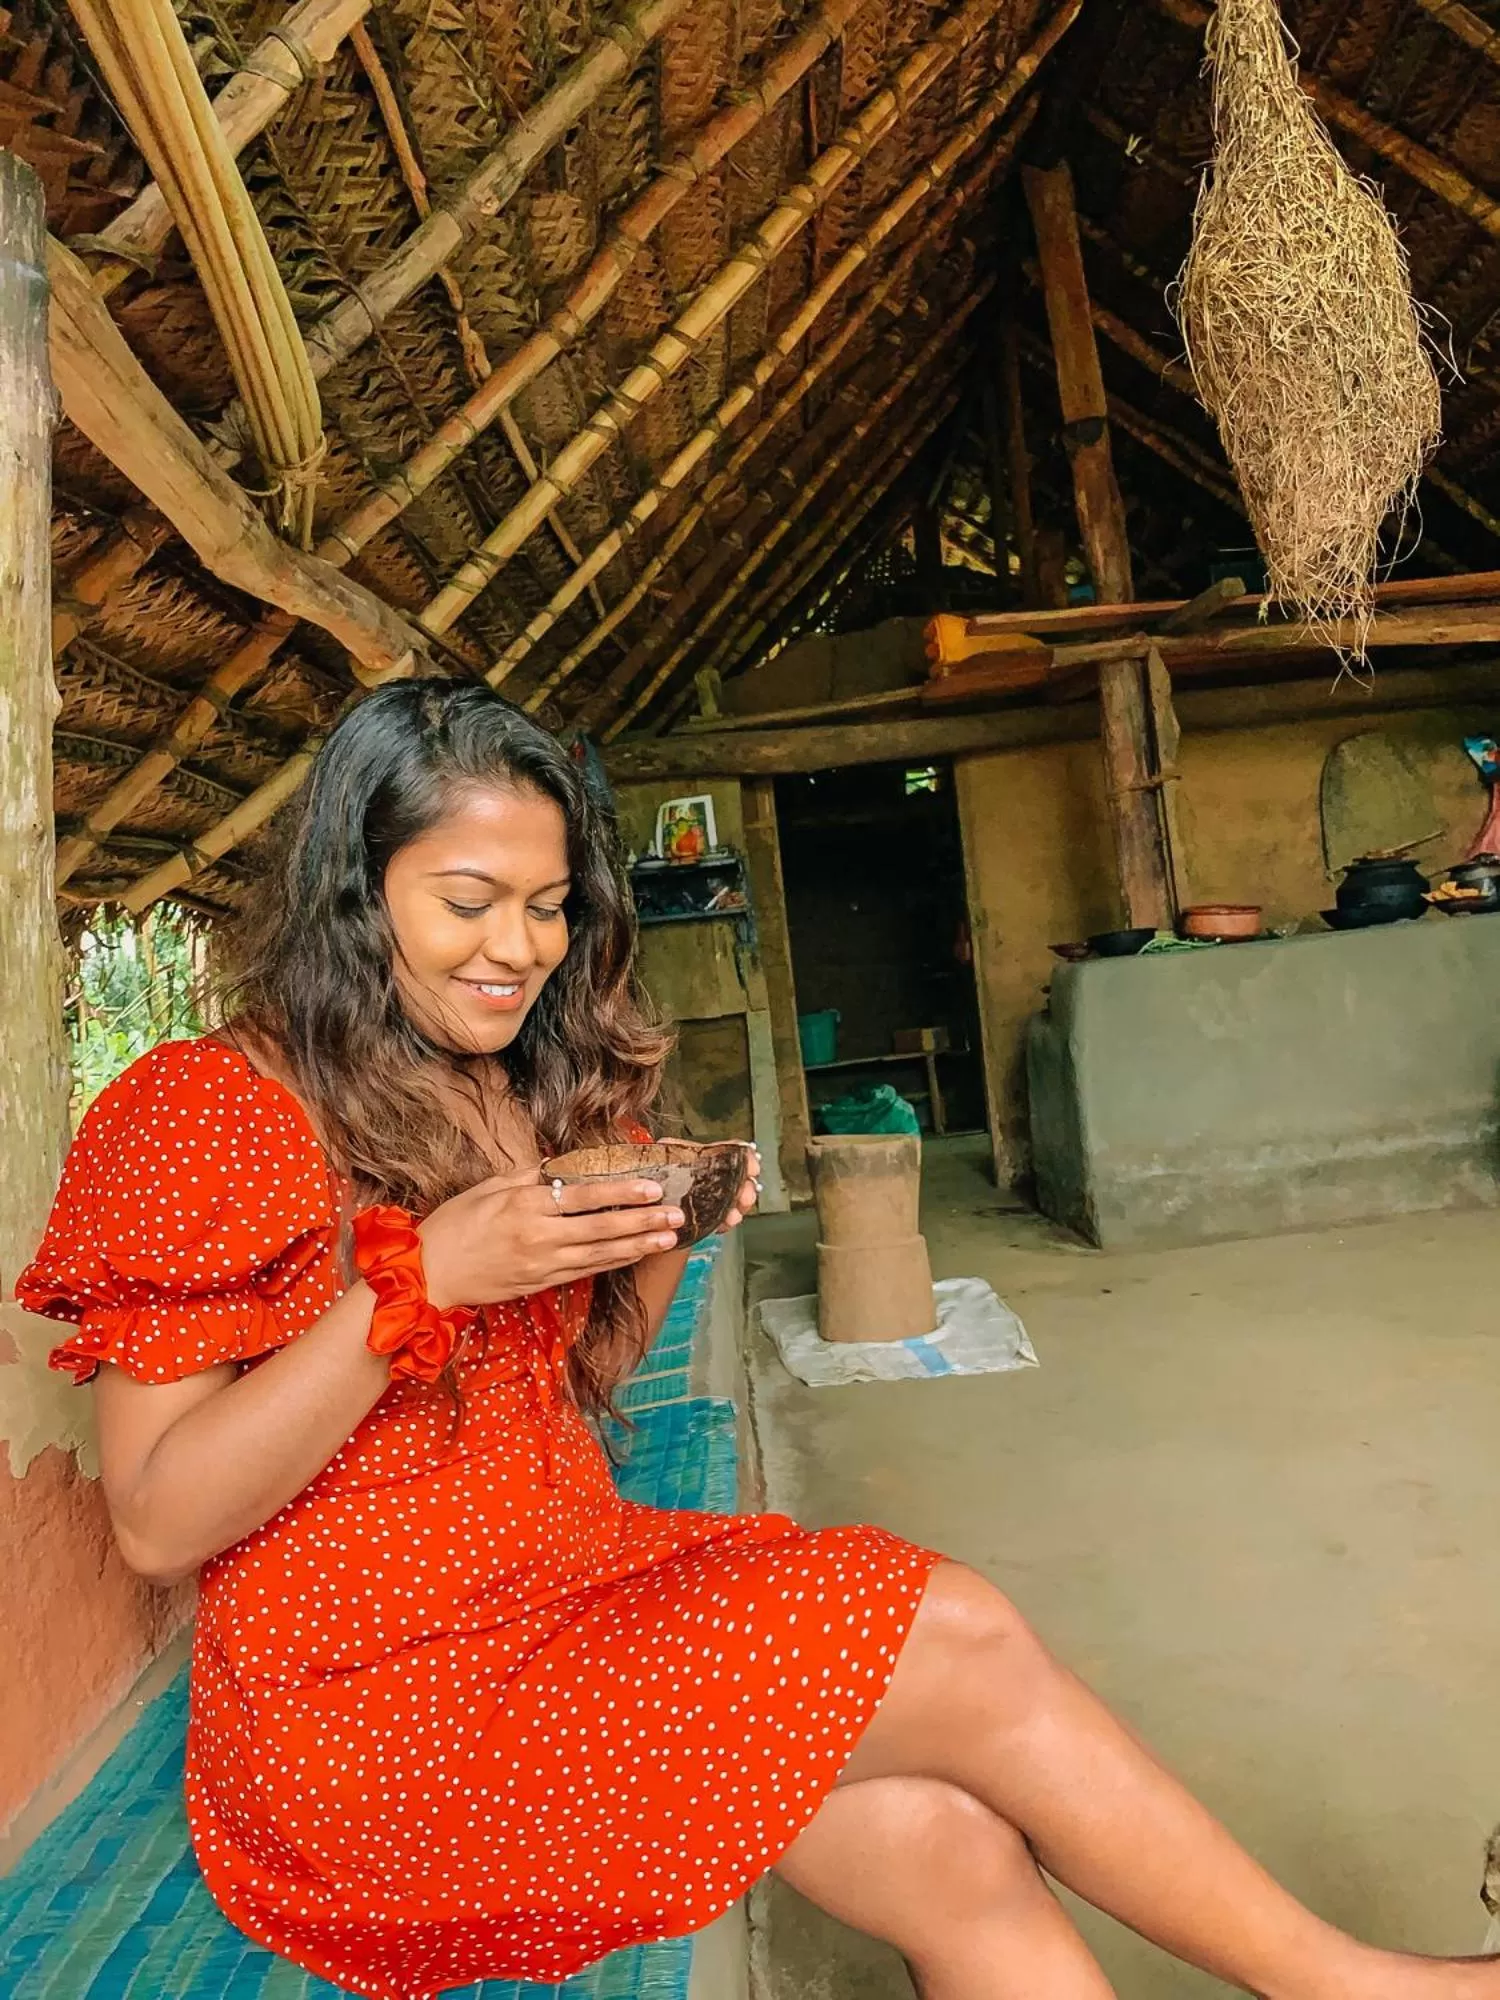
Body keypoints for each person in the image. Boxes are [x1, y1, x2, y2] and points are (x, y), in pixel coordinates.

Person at [20, 682, 1497, 2000]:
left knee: (947, 1846)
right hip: (374, 1724)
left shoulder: (495, 1080)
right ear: (357, 890)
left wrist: (662, 1234)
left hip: (553, 1591)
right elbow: (156, 1522)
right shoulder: (200, 1111)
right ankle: (1363, 1990)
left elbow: (566, 1396)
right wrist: (423, 1284)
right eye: (468, 900)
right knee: (955, 1622)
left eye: (548, 907)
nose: (518, 950)